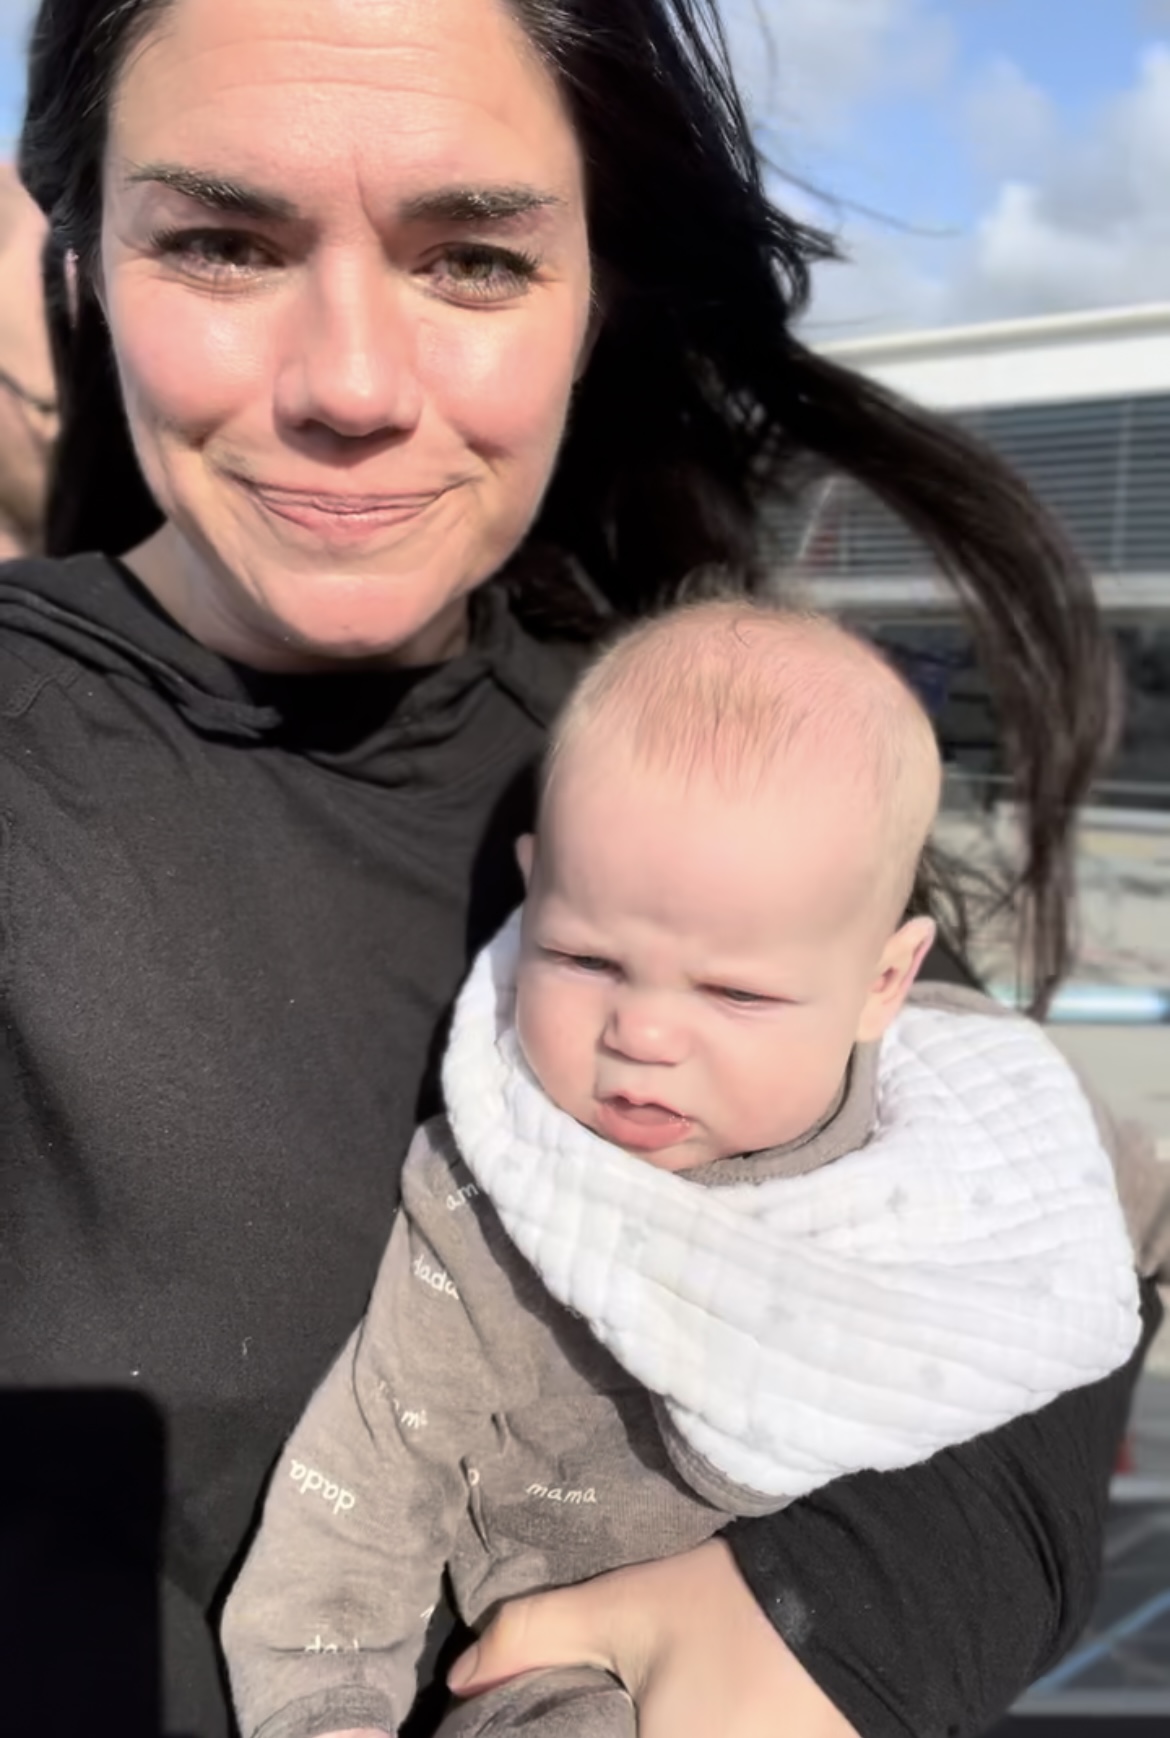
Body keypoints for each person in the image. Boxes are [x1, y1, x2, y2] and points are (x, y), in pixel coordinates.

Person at [4, 0, 1161, 1734]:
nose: (352, 386)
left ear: (596, 289)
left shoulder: (665, 746)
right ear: (87, 265)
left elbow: (1031, 1242)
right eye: (225, 242)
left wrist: (815, 1620)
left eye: (471, 258)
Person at [221, 600, 1155, 1738]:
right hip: (563, 1667)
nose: (645, 1034)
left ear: (885, 980)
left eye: (737, 992)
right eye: (583, 956)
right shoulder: (497, 1191)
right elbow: (362, 1485)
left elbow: (1114, 1199)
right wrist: (327, 1711)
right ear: (532, 888)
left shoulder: (970, 1113)